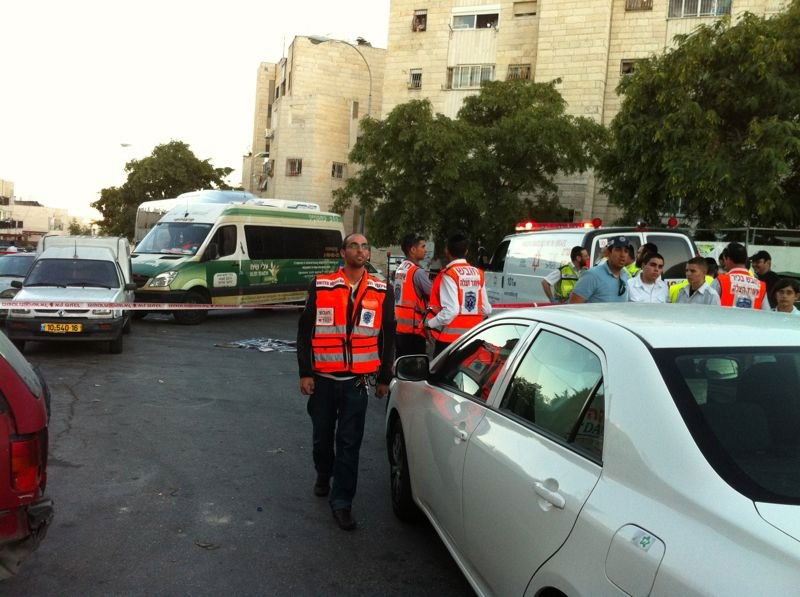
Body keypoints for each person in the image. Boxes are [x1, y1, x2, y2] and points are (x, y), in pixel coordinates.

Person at [296, 233, 395, 531]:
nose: (361, 250)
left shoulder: (381, 288)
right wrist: (305, 372)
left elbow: (388, 334)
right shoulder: (322, 284)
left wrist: (384, 377)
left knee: (350, 444)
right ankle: (323, 473)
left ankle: (342, 503)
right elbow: (304, 332)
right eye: (354, 245)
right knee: (322, 439)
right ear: (342, 252)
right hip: (323, 382)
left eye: (365, 246)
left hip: (356, 383)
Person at [425, 233, 491, 357]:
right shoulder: (478, 273)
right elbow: (487, 309)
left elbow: (451, 311)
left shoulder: (449, 274)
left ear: (447, 251)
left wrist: (429, 324)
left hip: (449, 341)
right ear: (466, 251)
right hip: (473, 338)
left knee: (441, 374)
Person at [394, 233, 432, 357]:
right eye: (423, 246)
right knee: (415, 367)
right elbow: (433, 294)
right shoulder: (417, 272)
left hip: (399, 327)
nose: (426, 250)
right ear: (413, 250)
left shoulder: (401, 268)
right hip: (413, 330)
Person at [569, 235, 631, 303]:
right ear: (608, 253)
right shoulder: (592, 276)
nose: (623, 255)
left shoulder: (625, 275)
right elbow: (573, 306)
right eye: (618, 250)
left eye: (626, 251)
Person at [712, 242, 769, 310]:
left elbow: (708, 309)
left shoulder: (720, 281)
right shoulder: (760, 286)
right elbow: (767, 313)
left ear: (728, 259)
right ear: (745, 260)